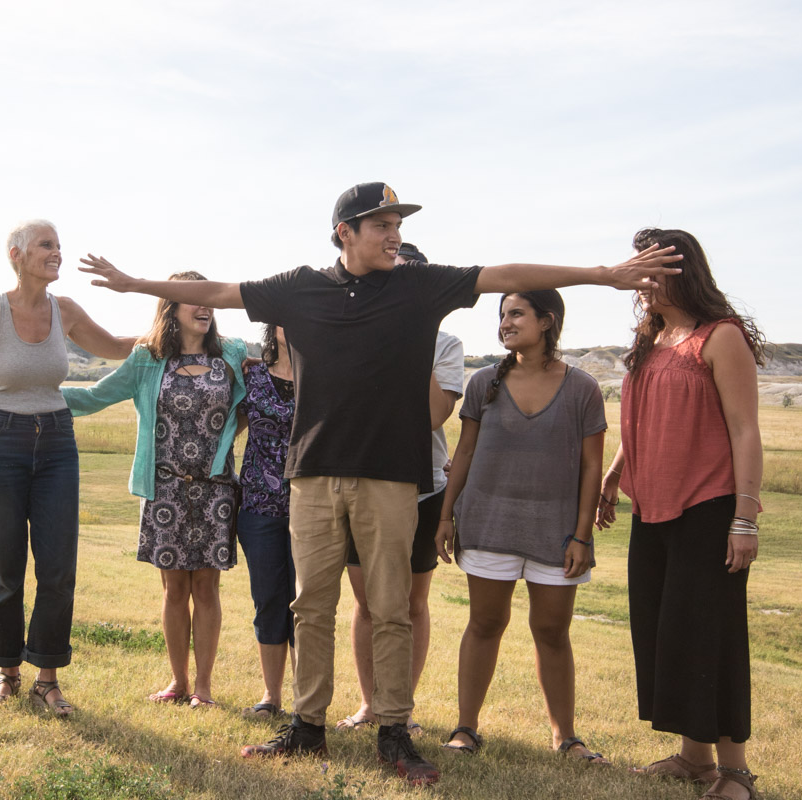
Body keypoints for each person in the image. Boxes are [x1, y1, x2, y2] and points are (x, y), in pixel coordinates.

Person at [77, 182, 682, 786]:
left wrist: (604, 274)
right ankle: (307, 725)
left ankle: (394, 731)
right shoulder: (300, 288)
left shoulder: (419, 286)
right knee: (310, 605)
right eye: (382, 225)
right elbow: (218, 291)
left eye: (397, 224)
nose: (395, 236)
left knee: (390, 606)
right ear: (345, 232)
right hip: (311, 474)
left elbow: (505, 273)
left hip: (393, 476)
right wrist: (139, 286)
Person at [0, 220, 136, 716]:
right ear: (16, 254)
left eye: (59, 246)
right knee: (5, 563)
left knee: (58, 564)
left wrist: (165, 328)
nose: (57, 253)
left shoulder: (64, 310)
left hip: (58, 443)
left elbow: (113, 346)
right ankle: (6, 672)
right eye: (47, 245)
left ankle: (48, 677)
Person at [595, 228, 764, 800]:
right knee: (666, 634)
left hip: (709, 508)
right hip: (653, 507)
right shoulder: (654, 338)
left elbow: (744, 429)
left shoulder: (721, 338)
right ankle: (694, 759)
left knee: (711, 635)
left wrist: (745, 517)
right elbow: (644, 413)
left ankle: (735, 771)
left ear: (677, 271)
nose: (639, 283)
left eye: (649, 271)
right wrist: (616, 473)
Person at [435, 289, 609, 763]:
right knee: (485, 623)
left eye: (517, 313)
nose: (505, 322)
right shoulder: (483, 382)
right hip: (489, 522)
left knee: (552, 631)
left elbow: (592, 468)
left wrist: (582, 535)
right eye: (502, 315)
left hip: (557, 532)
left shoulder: (583, 388)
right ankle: (465, 729)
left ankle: (565, 737)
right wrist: (446, 515)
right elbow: (464, 453)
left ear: (547, 321)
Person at [61, 271, 247, 707]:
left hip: (216, 490)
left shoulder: (234, 354)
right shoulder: (148, 359)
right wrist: (31, 394)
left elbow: (253, 403)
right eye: (193, 301)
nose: (205, 308)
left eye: (209, 302)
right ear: (171, 306)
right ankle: (178, 683)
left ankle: (203, 688)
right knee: (174, 591)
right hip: (164, 490)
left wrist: (227, 444)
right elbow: (94, 397)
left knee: (207, 590)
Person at [337, 243, 463, 737]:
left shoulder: (445, 342)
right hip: (358, 483)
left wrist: (414, 334)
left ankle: (401, 709)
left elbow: (434, 414)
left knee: (410, 603)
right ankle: (371, 705)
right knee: (367, 603)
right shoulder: (354, 331)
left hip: (421, 486)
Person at [234, 323, 296, 719]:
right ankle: (271, 697)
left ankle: (307, 700)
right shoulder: (250, 375)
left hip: (316, 508)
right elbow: (225, 427)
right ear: (273, 326)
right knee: (269, 599)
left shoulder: (327, 375)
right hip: (258, 505)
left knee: (310, 606)